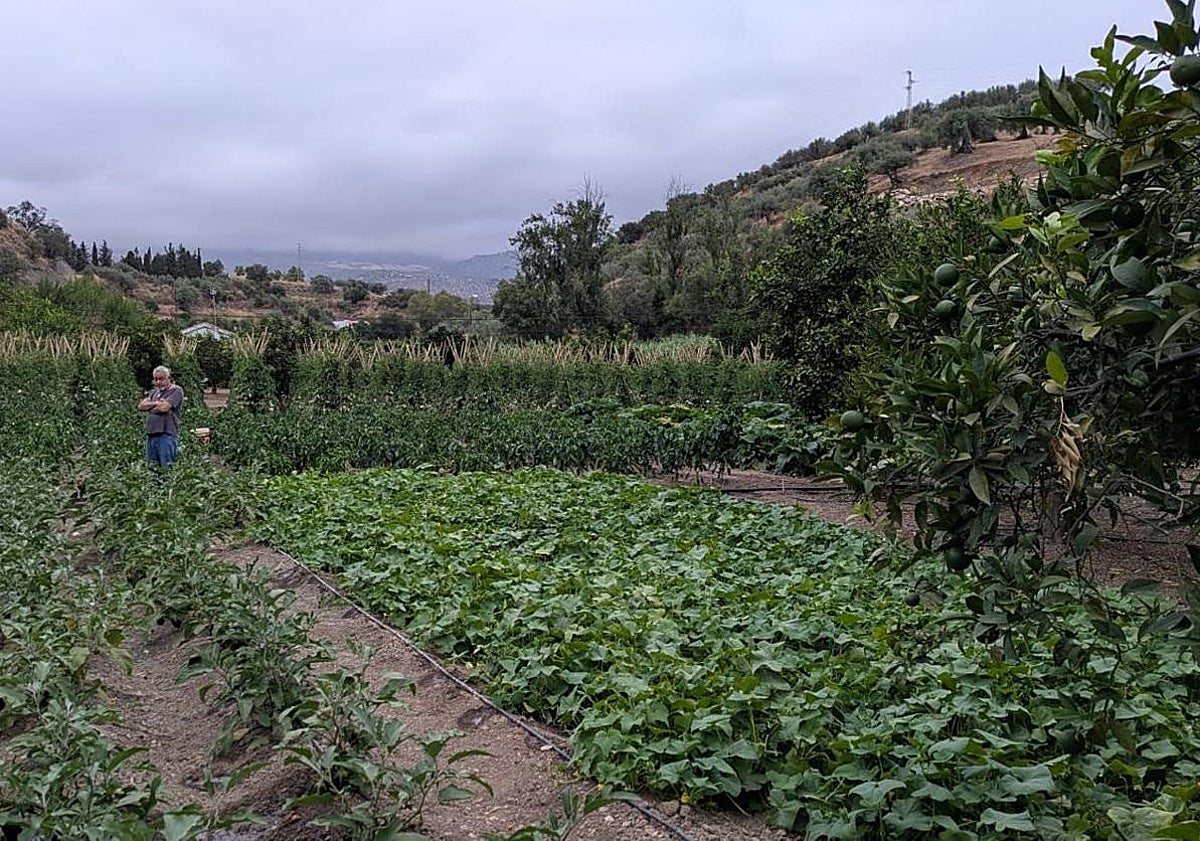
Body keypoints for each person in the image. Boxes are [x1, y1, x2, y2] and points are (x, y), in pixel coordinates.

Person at [138, 365, 185, 467]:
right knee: (152, 468)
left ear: (168, 378)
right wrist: (157, 403)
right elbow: (141, 406)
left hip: (166, 434)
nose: (158, 382)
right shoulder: (154, 392)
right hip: (151, 435)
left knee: (166, 467)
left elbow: (164, 408)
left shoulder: (176, 391)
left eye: (161, 379)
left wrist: (151, 407)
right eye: (156, 379)